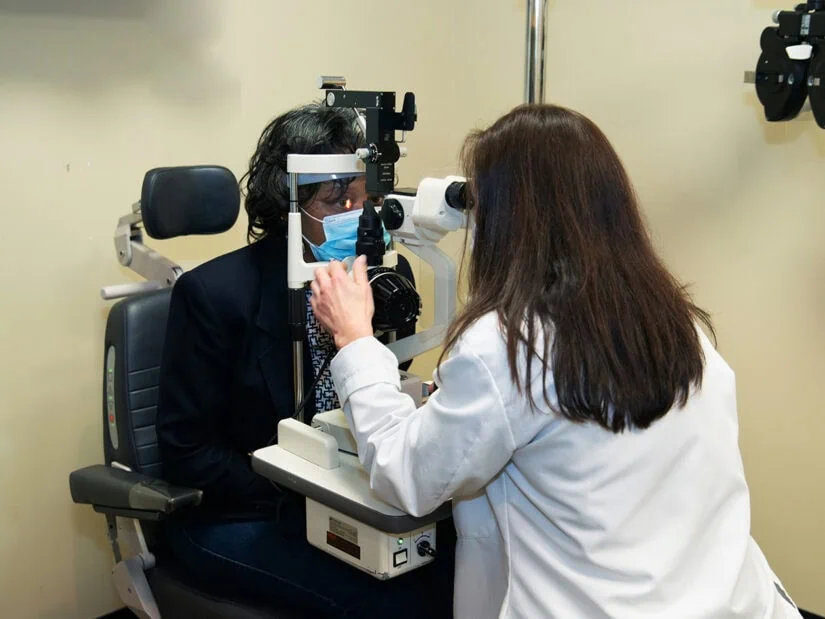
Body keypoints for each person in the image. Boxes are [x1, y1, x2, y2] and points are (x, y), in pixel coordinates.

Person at [310, 104, 803, 619]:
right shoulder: (680, 324)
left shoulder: (508, 343)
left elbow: (407, 475)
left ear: (505, 220)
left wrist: (355, 338)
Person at [156, 102, 455, 618]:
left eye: (364, 197)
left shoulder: (379, 275)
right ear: (288, 202)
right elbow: (186, 451)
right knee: (389, 601)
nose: (357, 214)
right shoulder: (213, 294)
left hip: (350, 498)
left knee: (454, 565)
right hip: (242, 515)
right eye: (337, 197)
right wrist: (304, 481)